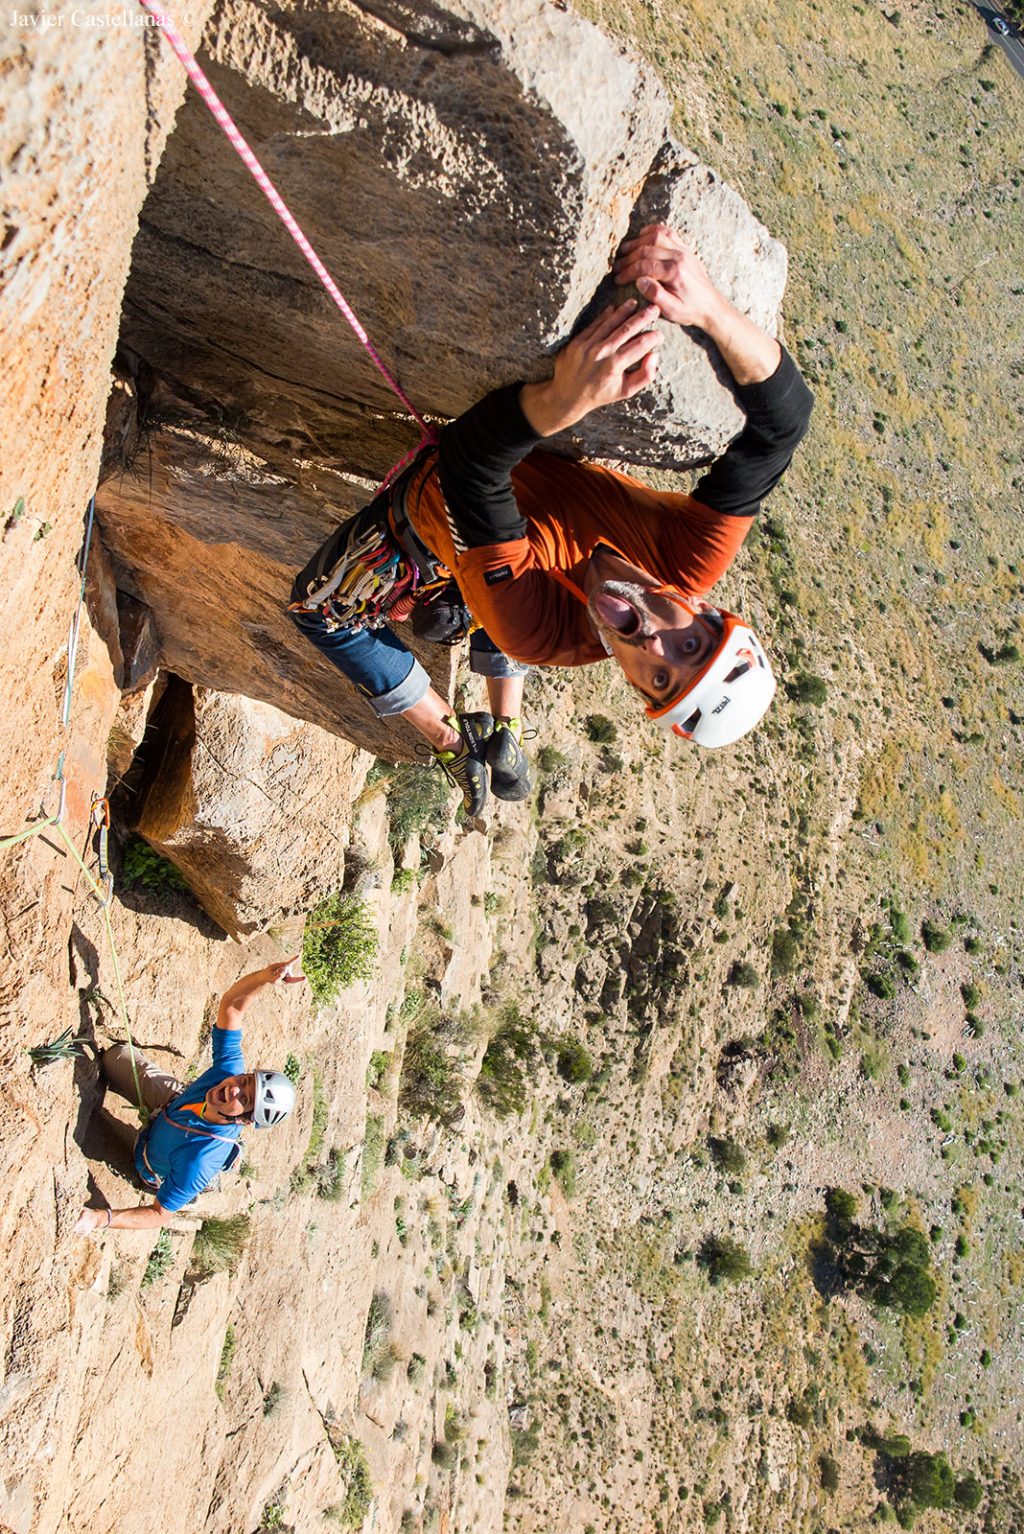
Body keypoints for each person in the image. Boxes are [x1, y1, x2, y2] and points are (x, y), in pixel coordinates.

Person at [290, 224, 813, 813]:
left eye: (661, 679)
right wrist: (710, 308)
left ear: (638, 688)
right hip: (502, 559)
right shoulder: (689, 557)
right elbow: (782, 428)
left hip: (431, 532)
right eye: (691, 643)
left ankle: (450, 738)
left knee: (322, 609)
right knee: (510, 592)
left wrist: (563, 401)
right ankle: (505, 725)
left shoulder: (541, 629)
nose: (656, 645)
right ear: (707, 610)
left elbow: (468, 469)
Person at [74, 958, 304, 1233]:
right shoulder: (226, 1072)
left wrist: (101, 1218)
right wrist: (266, 977)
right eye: (244, 1081)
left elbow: (159, 1214)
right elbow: (231, 1006)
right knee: (116, 1057)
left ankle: (205, 1178)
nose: (234, 1088)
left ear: (244, 1121)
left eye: (244, 1099)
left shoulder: (199, 1160)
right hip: (173, 1105)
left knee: (149, 1160)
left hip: (152, 1158)